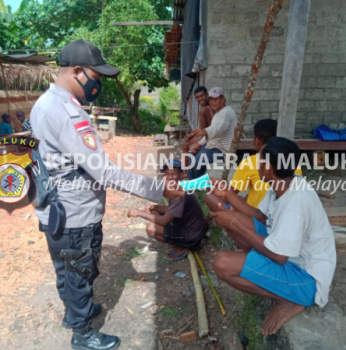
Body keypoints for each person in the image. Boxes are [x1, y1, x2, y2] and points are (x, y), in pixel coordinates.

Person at [30, 39, 184, 350]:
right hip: (75, 213)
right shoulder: (69, 113)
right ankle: (83, 332)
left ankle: (74, 312)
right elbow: (104, 171)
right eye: (96, 77)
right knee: (80, 271)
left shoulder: (42, 103)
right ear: (76, 71)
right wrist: (157, 188)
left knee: (67, 269)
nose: (98, 85)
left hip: (54, 210)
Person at [208, 137, 336, 336]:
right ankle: (260, 269)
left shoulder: (295, 204)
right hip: (289, 257)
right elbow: (260, 216)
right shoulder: (284, 184)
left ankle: (287, 301)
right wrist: (228, 195)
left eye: (259, 160)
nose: (256, 163)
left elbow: (279, 257)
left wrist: (235, 226)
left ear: (268, 167)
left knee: (222, 262)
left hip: (306, 279)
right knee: (233, 218)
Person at [206, 119, 302, 211]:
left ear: (257, 140)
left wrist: (212, 188)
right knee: (243, 198)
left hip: (259, 215)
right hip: (273, 211)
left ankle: (232, 225)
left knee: (210, 197)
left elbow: (228, 195)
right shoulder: (293, 164)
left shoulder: (250, 162)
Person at [127, 160, 205, 261]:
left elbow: (164, 221)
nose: (169, 177)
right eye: (167, 174)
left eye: (173, 174)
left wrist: (139, 213)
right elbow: (173, 209)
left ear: (181, 175)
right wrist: (155, 207)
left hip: (192, 236)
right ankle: (179, 240)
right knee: (154, 212)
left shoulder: (179, 193)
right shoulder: (176, 187)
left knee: (151, 228)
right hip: (191, 229)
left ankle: (183, 246)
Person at [186, 87, 237, 180]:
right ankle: (193, 181)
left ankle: (196, 184)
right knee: (191, 153)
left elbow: (218, 129)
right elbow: (211, 134)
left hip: (221, 150)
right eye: (211, 99)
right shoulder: (218, 113)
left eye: (216, 99)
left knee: (198, 160)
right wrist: (198, 144)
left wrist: (205, 131)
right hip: (212, 147)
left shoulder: (226, 112)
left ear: (222, 99)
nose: (213, 102)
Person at [182, 86, 215, 172]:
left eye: (202, 96)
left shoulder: (211, 106)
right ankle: (184, 172)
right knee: (185, 143)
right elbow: (201, 128)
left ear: (207, 95)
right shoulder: (204, 107)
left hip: (212, 135)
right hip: (205, 134)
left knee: (193, 148)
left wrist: (199, 142)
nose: (200, 99)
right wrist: (192, 134)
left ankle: (189, 172)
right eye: (197, 97)